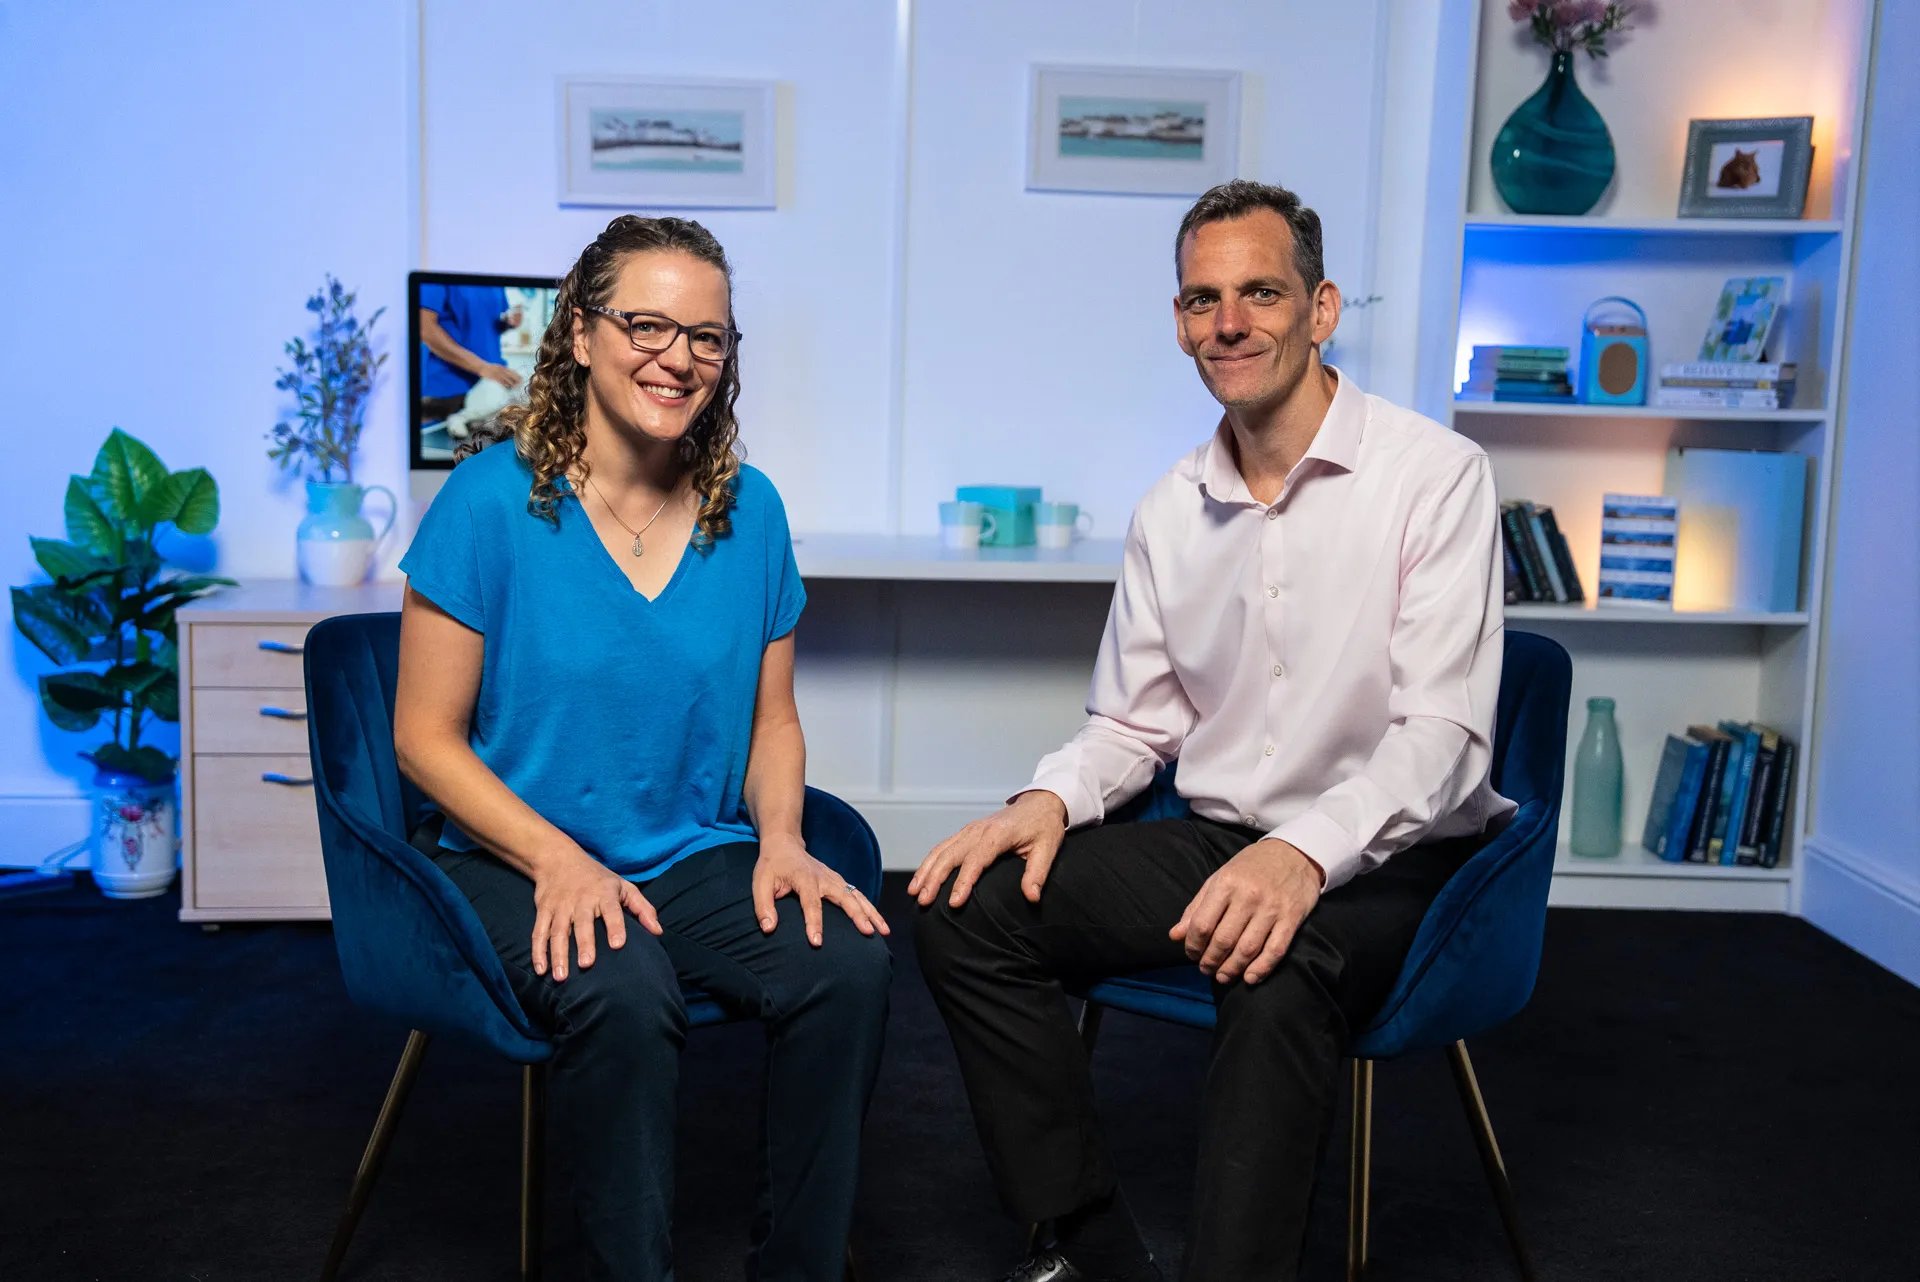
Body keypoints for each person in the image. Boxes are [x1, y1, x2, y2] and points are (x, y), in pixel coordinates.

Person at [910, 179, 1511, 1282]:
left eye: (1259, 293)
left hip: (1396, 860)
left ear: (1321, 309)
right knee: (966, 909)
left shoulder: (1437, 479)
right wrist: (1044, 799)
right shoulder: (1169, 507)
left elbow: (1443, 738)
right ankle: (1089, 1246)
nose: (1227, 323)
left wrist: (1303, 856)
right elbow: (1134, 723)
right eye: (1201, 299)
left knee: (1277, 963)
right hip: (1223, 835)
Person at [393, 215, 893, 1282]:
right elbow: (422, 742)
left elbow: (772, 721)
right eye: (646, 324)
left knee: (844, 966)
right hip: (513, 853)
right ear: (580, 333)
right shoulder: (487, 499)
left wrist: (785, 841)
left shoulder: (748, 511)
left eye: (706, 337)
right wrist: (557, 860)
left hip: (685, 850)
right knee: (620, 988)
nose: (678, 357)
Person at [417, 281, 525, 424]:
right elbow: (425, 328)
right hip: (447, 391)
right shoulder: (439, 276)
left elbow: (486, 324)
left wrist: (507, 323)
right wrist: (482, 367)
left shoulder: (494, 280)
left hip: (490, 385)